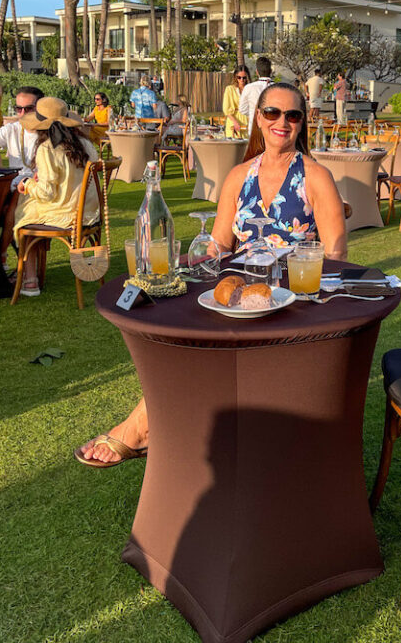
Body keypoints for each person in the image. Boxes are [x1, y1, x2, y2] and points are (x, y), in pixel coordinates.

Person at [75, 81, 348, 466]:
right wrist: (192, 257)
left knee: (198, 343)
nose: (281, 122)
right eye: (272, 113)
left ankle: (140, 427)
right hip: (236, 293)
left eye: (293, 115)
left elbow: (336, 252)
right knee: (176, 331)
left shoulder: (315, 176)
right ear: (258, 117)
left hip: (289, 301)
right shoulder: (240, 176)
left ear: (302, 123)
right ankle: (151, 422)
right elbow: (220, 245)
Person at [13, 97, 99, 296]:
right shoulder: (85, 143)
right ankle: (34, 273)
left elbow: (46, 192)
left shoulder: (47, 148)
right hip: (88, 212)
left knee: (25, 210)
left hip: (66, 214)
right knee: (31, 207)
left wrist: (27, 184)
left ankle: (31, 279)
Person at [0, 85, 43, 263]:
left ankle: (0, 258)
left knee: (9, 206)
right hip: (14, 186)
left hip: (39, 189)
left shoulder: (50, 131)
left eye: (28, 108)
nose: (22, 113)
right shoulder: (12, 129)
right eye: (18, 108)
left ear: (40, 107)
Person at [239, 56, 274, 136]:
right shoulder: (278, 88)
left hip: (254, 127)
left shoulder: (249, 88)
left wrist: (253, 112)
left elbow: (242, 109)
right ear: (271, 71)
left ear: (257, 72)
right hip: (272, 128)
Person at [222, 65, 250, 137]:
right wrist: (235, 122)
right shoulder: (230, 89)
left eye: (244, 77)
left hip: (246, 120)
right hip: (233, 120)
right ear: (235, 77)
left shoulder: (250, 89)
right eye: (239, 77)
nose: (241, 80)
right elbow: (226, 110)